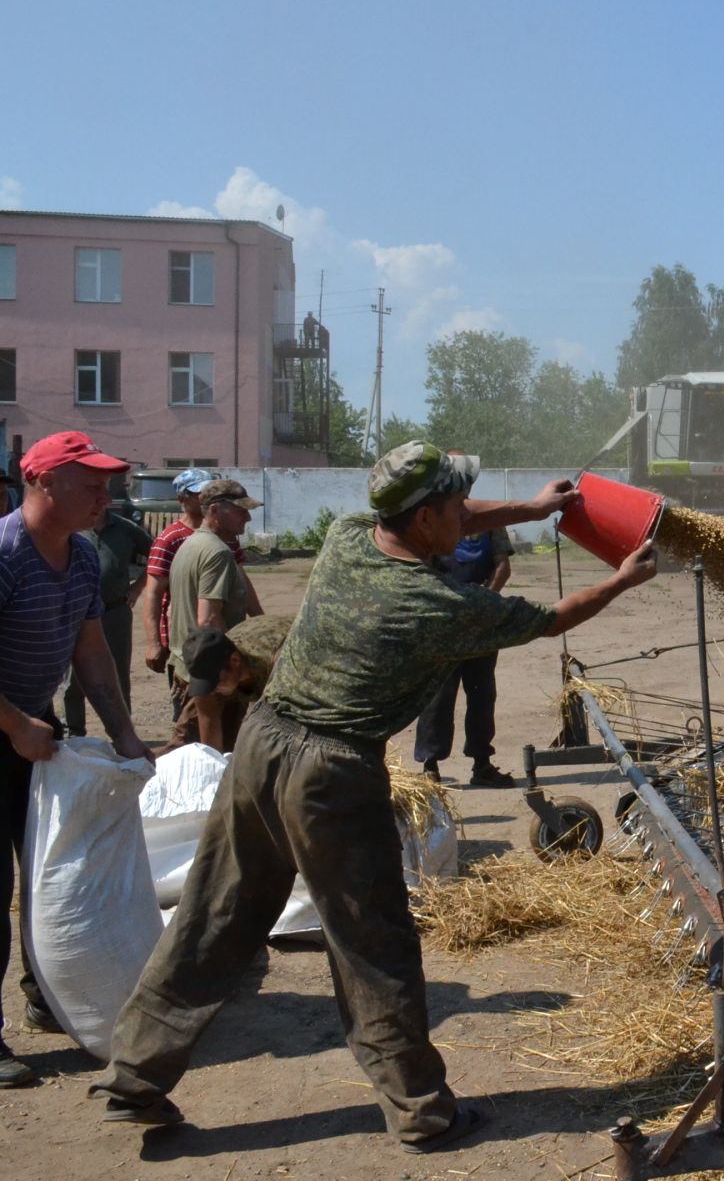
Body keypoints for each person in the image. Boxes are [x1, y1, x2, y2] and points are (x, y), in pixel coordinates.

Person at [95, 441, 657, 1151]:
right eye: (455, 508)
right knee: (374, 941)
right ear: (426, 520)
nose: (465, 515)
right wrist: (624, 580)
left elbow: (460, 516)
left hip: (261, 744)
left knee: (215, 913)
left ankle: (132, 1077)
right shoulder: (436, 604)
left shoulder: (345, 537)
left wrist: (536, 509)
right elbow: (554, 619)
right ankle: (422, 1109)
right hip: (329, 774)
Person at [0, 432, 152, 1090]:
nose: (105, 495)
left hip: (33, 738)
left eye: (107, 483)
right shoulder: (4, 553)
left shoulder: (85, 557)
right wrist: (14, 724)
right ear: (43, 482)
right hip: (13, 729)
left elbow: (91, 651)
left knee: (49, 872)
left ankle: (45, 994)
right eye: (90, 483)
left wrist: (124, 731)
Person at [412, 464, 514, 785]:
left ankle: (481, 765)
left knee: (482, 694)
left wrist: (483, 601)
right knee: (438, 696)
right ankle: (430, 766)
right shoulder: (429, 518)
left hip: (481, 624)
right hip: (443, 622)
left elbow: (503, 566)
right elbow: (421, 567)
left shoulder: (490, 522)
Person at [144, 469, 262, 716]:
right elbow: (207, 619)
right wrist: (235, 667)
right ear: (216, 511)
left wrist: (261, 621)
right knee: (210, 748)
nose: (248, 517)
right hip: (209, 671)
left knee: (193, 746)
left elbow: (241, 581)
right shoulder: (210, 550)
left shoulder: (194, 542)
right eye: (240, 510)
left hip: (190, 664)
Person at [60, 487, 152, 736]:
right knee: (72, 680)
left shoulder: (125, 529)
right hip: (76, 613)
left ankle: (122, 734)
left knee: (118, 674)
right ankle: (74, 732)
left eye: (102, 498)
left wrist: (138, 588)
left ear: (109, 501)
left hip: (114, 612)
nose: (97, 503)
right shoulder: (72, 527)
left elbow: (157, 556)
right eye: (91, 496)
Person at [176, 614, 292, 752]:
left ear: (235, 661)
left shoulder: (281, 664)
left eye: (215, 682)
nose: (212, 690)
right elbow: (208, 721)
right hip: (247, 665)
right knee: (190, 734)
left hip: (304, 655)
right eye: (205, 684)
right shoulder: (209, 666)